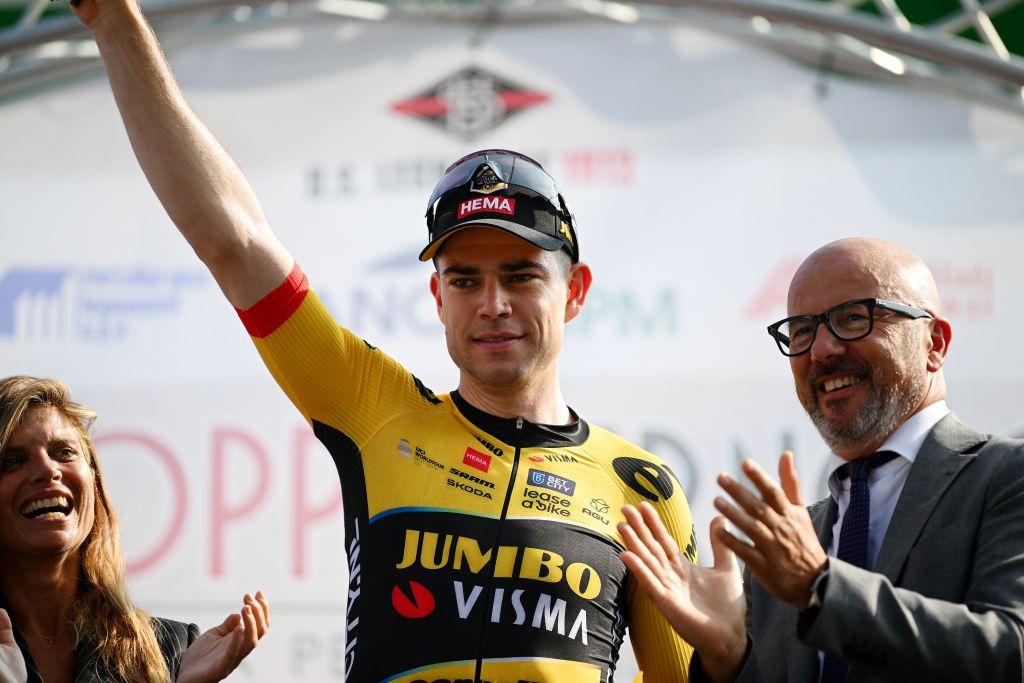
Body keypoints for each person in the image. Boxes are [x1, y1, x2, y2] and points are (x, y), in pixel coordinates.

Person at [69, 0, 698, 680]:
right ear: (437, 297)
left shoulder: (644, 489)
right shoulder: (375, 407)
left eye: (520, 275)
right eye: (464, 279)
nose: (492, 304)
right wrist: (113, 22)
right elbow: (233, 240)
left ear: (575, 291)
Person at [619, 237, 1024, 682]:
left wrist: (821, 586)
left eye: (853, 318)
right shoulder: (787, 548)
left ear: (934, 343)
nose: (821, 350)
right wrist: (728, 658)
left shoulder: (1005, 477)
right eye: (802, 330)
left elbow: (1011, 652)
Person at [0, 376, 270, 683]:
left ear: (96, 484)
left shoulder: (172, 649)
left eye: (64, 452)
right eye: (12, 461)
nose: (48, 471)